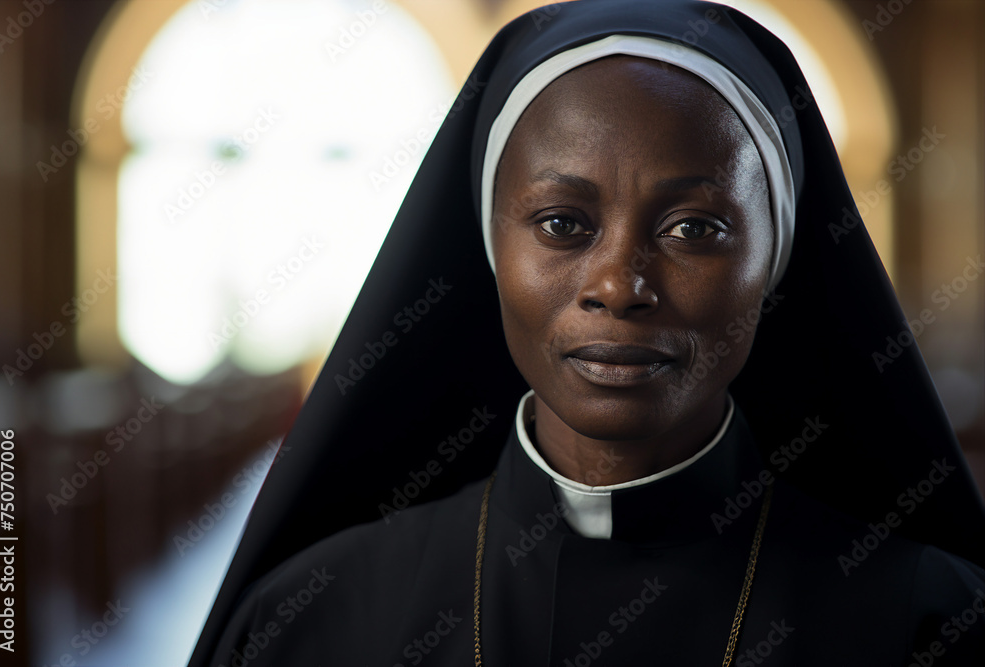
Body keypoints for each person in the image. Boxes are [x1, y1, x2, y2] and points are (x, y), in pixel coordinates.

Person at [189, 1, 985, 665]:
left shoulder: (928, 622)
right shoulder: (310, 621)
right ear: (490, 249)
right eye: (563, 223)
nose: (617, 285)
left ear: (775, 263)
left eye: (695, 229)